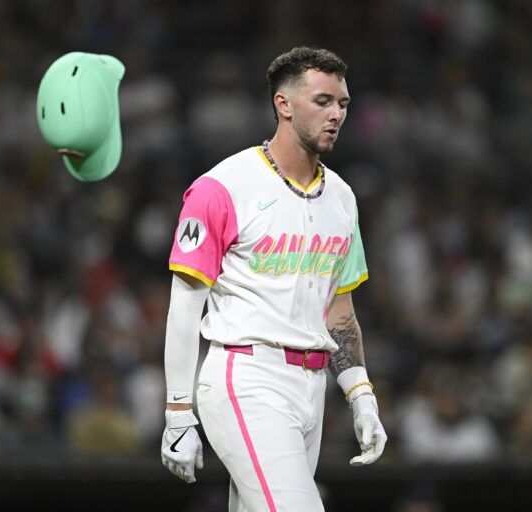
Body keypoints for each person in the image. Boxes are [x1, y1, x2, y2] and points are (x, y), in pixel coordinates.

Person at [160, 46, 387, 511]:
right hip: (247, 377)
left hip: (312, 389)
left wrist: (361, 395)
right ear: (283, 104)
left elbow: (339, 312)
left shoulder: (342, 198)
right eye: (322, 101)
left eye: (342, 103)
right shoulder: (222, 186)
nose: (336, 114)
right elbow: (185, 305)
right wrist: (178, 412)